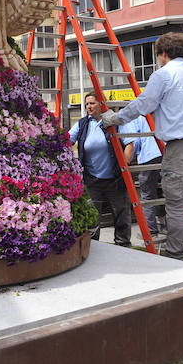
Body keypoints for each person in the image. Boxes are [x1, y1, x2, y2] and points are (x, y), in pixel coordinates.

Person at [101, 32, 183, 268]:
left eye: (159, 56)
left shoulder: (163, 75)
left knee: (176, 206)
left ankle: (175, 256)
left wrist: (115, 118)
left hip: (182, 148)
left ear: (164, 54)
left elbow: (143, 104)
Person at [68, 92, 135, 247]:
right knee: (92, 218)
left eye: (92, 103)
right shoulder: (83, 124)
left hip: (115, 179)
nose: (89, 107)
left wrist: (123, 168)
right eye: (86, 104)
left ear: (101, 104)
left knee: (121, 216)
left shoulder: (115, 121)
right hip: (92, 180)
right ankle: (92, 248)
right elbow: (66, 140)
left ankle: (124, 247)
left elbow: (130, 145)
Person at [124, 115, 163, 236]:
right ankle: (166, 225)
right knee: (163, 192)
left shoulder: (130, 119)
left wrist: (126, 162)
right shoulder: (150, 117)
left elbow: (133, 142)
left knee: (147, 195)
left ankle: (151, 230)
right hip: (163, 152)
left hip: (149, 156)